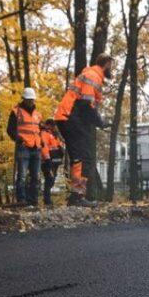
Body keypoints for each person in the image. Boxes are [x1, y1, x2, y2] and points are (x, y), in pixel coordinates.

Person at [55, 53, 113, 205]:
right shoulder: (93, 76)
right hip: (69, 118)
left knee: (80, 156)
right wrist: (100, 122)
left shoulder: (91, 75)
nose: (111, 69)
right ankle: (77, 196)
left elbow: (85, 106)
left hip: (67, 118)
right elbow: (85, 104)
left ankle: (76, 196)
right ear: (106, 63)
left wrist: (99, 121)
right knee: (83, 156)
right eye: (111, 65)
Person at [7, 88, 43, 205]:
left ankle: (33, 200)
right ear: (24, 99)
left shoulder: (38, 114)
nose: (31, 102)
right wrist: (18, 139)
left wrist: (41, 141)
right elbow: (10, 129)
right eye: (28, 100)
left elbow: (38, 129)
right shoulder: (16, 112)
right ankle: (21, 200)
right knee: (22, 176)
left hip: (36, 147)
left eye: (32, 99)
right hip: (24, 147)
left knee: (36, 177)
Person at [40, 120, 64, 206]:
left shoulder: (54, 134)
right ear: (47, 125)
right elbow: (44, 146)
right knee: (49, 179)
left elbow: (58, 144)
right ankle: (47, 200)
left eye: (54, 126)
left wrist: (61, 148)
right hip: (47, 160)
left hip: (55, 160)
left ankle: (47, 199)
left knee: (52, 180)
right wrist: (47, 159)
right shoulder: (44, 133)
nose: (53, 127)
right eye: (51, 125)